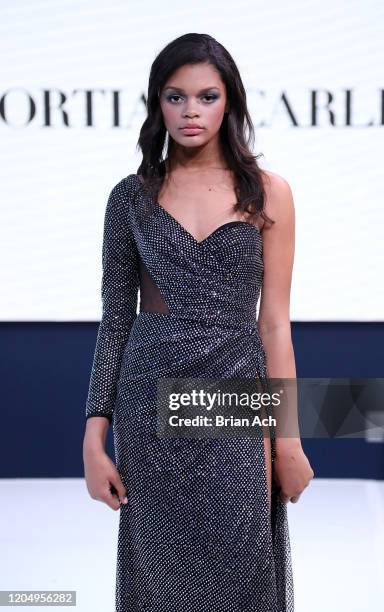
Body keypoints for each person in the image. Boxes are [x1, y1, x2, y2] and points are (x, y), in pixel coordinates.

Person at [83, 32, 314, 612]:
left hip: (237, 393)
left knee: (243, 563)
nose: (190, 112)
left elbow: (275, 326)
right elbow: (116, 321)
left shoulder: (268, 194)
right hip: (150, 396)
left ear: (230, 102)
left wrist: (287, 438)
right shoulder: (131, 197)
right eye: (175, 96)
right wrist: (93, 435)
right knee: (160, 571)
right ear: (157, 104)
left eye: (207, 96)